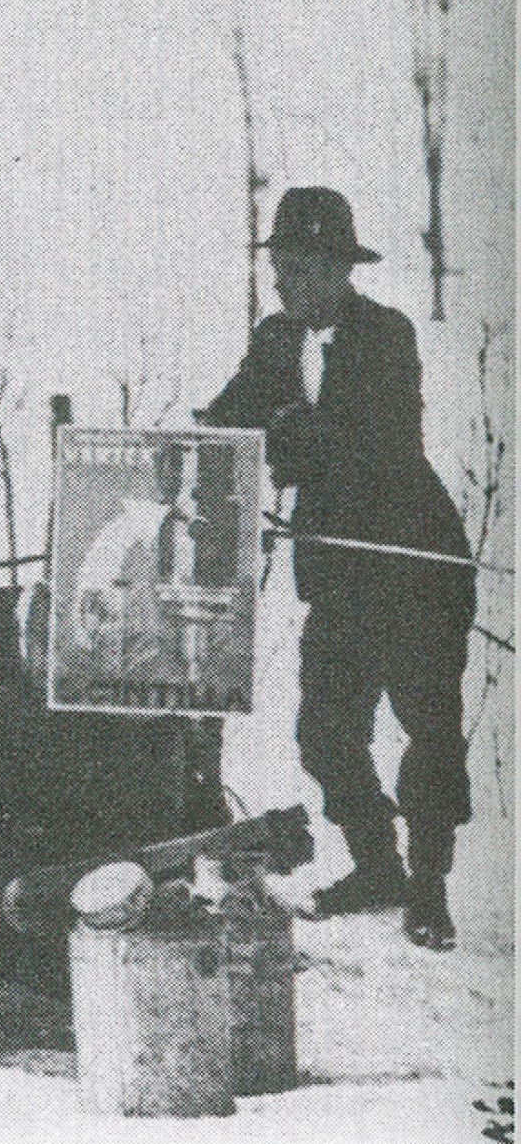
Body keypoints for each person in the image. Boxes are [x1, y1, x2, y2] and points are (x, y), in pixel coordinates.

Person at [202, 186, 475, 950]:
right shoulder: (274, 340)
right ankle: (377, 866)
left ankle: (429, 888)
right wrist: (202, 441)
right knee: (325, 732)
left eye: (295, 269)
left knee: (429, 730)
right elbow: (233, 415)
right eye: (278, 267)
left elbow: (377, 445)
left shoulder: (386, 335)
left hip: (414, 566)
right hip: (338, 574)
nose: (281, 282)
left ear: (335, 270)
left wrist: (291, 433)